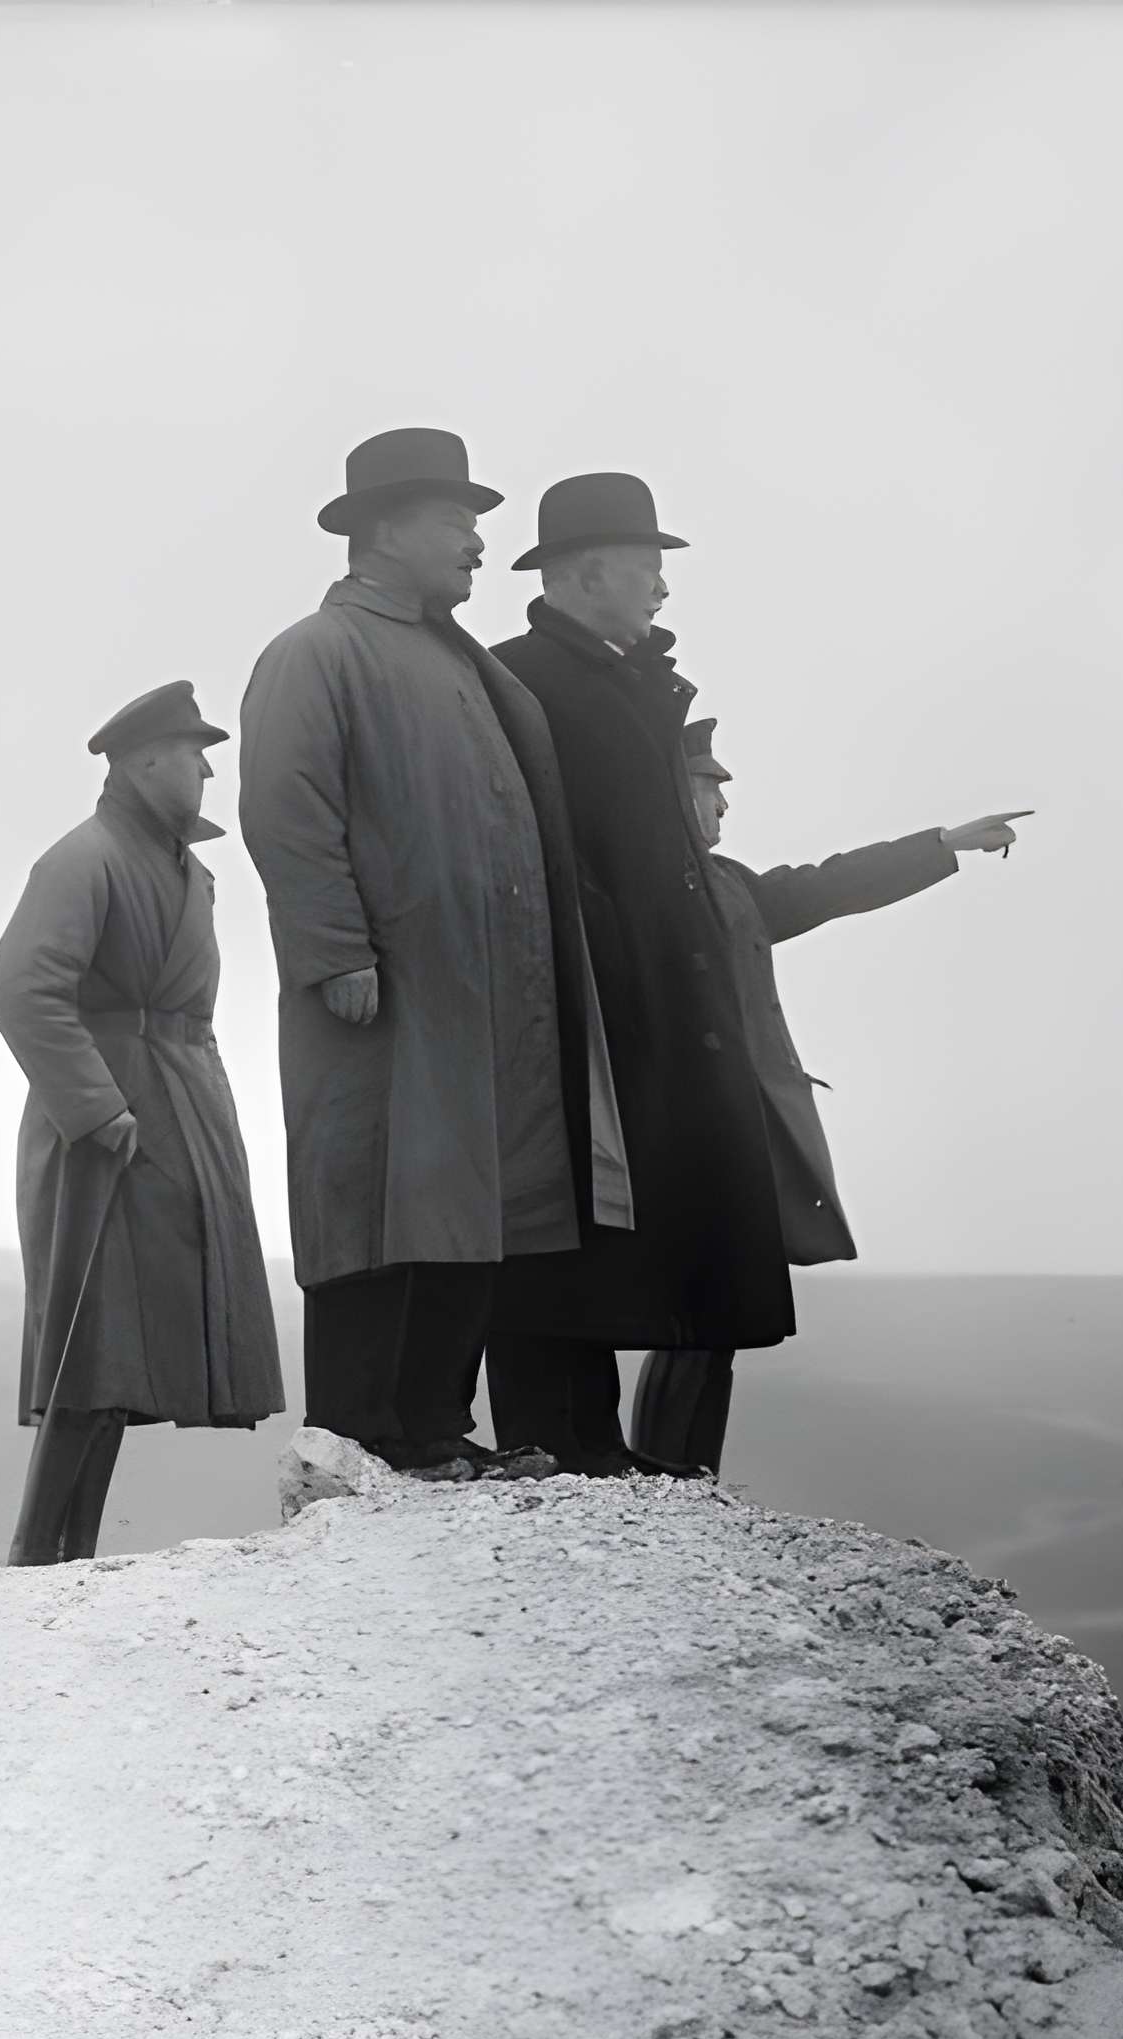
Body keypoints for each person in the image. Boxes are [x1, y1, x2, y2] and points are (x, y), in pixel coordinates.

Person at [237, 427, 632, 1480]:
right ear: (381, 530)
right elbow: (286, 808)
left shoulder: (456, 659)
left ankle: (431, 1429)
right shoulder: (314, 653)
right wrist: (332, 951)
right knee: (375, 1201)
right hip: (384, 987)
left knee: (473, 1202)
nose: (474, 537)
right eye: (454, 517)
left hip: (480, 990)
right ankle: (363, 1437)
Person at [482, 472, 792, 1476]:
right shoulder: (520, 677)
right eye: (647, 565)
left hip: (648, 990)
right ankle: (553, 1435)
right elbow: (533, 845)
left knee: (623, 1220)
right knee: (561, 1216)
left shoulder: (633, 681)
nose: (661, 587)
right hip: (581, 990)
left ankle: (595, 1442)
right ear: (587, 571)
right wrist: (600, 959)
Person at [629, 719, 1030, 1473]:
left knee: (722, 1316)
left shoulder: (730, 883)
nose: (723, 809)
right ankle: (666, 1474)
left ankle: (686, 1474)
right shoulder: (643, 883)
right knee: (697, 1312)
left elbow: (826, 884)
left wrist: (941, 843)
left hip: (740, 1127)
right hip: (688, 1132)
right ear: (668, 796)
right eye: (709, 791)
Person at [0, 681, 285, 1564]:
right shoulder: (83, 859)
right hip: (105, 1127)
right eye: (194, 753)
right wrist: (98, 1109)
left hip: (178, 1106)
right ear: (142, 759)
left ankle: (67, 1557)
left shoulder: (187, 870)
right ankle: (38, 1556)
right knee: (90, 1349)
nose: (204, 769)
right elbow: (21, 992)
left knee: (118, 1355)